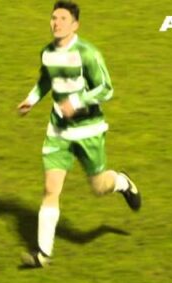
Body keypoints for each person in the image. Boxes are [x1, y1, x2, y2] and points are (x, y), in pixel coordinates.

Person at [16, 1, 141, 268]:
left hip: (89, 131)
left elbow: (106, 89)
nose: (56, 23)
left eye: (62, 18)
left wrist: (77, 102)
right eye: (53, 18)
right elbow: (45, 80)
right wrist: (32, 99)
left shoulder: (88, 54)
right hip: (58, 131)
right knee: (50, 189)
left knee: (98, 187)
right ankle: (42, 255)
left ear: (75, 25)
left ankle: (121, 182)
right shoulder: (47, 53)